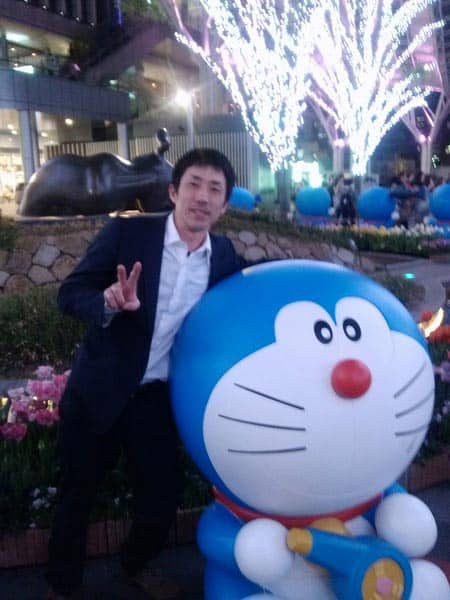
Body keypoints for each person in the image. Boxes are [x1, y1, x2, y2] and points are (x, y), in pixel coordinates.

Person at [45, 148, 247, 599]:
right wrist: (107, 302)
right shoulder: (128, 233)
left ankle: (135, 565)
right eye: (194, 184)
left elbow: (246, 299)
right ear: (173, 191)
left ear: (224, 205)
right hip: (100, 388)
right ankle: (61, 586)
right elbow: (70, 292)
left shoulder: (223, 255)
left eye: (215, 189)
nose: (202, 197)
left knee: (161, 497)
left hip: (156, 398)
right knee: (77, 494)